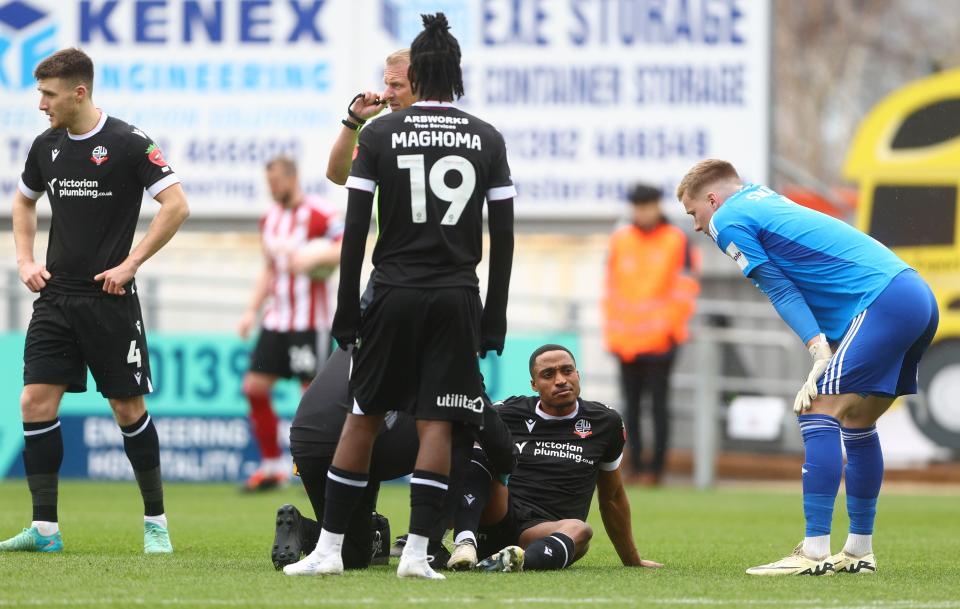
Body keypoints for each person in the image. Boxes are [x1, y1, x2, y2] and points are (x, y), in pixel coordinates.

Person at [283, 13, 516, 580]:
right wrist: (495, 316)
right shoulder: (486, 136)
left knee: (362, 416)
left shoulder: (384, 135)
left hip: (392, 291)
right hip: (458, 294)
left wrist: (345, 308)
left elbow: (356, 228)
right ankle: (415, 554)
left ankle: (331, 551)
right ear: (455, 74)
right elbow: (504, 235)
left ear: (419, 74)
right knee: (438, 424)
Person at [676, 159, 939, 576]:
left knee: (817, 411)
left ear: (712, 198)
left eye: (693, 213)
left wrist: (817, 348)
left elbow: (778, 286)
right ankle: (858, 551)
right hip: (915, 295)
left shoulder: (726, 217)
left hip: (882, 301)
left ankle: (814, 550)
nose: (695, 225)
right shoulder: (761, 197)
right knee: (857, 423)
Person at [0, 48, 190, 554]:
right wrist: (24, 259)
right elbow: (22, 200)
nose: (42, 104)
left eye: (48, 94)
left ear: (78, 92)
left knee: (127, 408)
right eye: (40, 93)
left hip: (110, 298)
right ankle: (44, 531)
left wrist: (131, 264)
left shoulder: (128, 143)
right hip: (56, 296)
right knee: (34, 401)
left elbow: (176, 205)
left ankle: (156, 525)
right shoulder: (46, 146)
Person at [272, 346, 514, 572]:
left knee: (354, 553)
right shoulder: (445, 336)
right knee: (459, 425)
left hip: (307, 443)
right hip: (360, 442)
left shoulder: (375, 320)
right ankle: (427, 547)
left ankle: (303, 529)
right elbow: (480, 413)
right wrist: (506, 464)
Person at [446, 345, 664, 572]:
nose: (560, 380)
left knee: (580, 530)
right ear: (534, 384)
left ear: (577, 375)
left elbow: (613, 497)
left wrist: (632, 559)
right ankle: (457, 542)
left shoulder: (605, 423)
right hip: (496, 515)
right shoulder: (507, 413)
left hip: (543, 531)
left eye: (567, 371)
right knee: (472, 448)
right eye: (548, 375)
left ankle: (512, 562)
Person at [237, 156, 343, 491]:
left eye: (276, 182)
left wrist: (316, 257)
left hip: (310, 323)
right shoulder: (270, 219)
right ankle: (271, 467)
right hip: (276, 321)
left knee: (311, 398)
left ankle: (311, 467)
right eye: (268, 183)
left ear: (292, 177)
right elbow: (269, 268)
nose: (272, 189)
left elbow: (346, 247)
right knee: (254, 388)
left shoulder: (321, 213)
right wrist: (251, 311)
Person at [603, 184, 699, 485]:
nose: (642, 212)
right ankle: (634, 466)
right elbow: (611, 288)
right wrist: (613, 331)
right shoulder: (621, 240)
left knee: (658, 406)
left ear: (658, 206)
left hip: (662, 340)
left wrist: (669, 328)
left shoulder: (676, 240)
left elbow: (686, 289)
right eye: (638, 206)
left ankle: (656, 470)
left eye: (647, 205)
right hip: (626, 341)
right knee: (629, 408)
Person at [326, 49, 417, 185]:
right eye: (386, 84)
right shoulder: (379, 134)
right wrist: (355, 120)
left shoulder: (452, 129)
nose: (386, 95)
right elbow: (337, 175)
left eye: (396, 85)